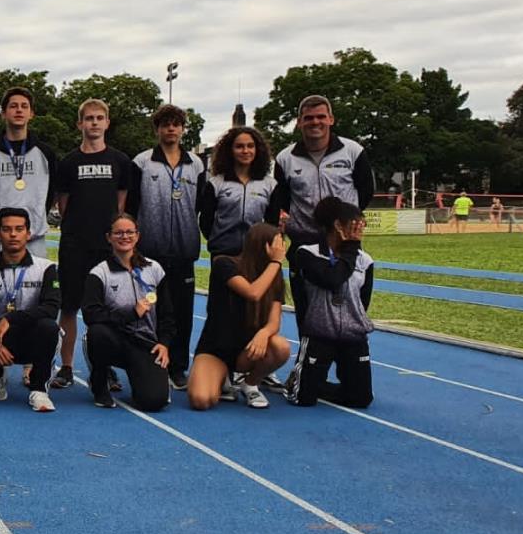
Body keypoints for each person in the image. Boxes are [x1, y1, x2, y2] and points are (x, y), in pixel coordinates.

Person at [267, 94, 373, 327]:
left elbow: (365, 192)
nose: (315, 122)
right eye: (309, 118)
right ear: (299, 122)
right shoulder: (285, 158)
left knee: (348, 303)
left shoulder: (353, 151)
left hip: (344, 242)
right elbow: (282, 201)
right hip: (304, 242)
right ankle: (309, 359)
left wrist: (345, 224)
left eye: (320, 117)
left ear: (331, 119)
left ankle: (348, 356)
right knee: (306, 308)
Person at [52, 99, 132, 390]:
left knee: (106, 310)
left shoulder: (121, 161)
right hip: (75, 244)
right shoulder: (69, 163)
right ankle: (66, 366)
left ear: (107, 123)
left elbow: (121, 204)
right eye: (89, 118)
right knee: (70, 308)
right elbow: (63, 205)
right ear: (80, 124)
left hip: (107, 248)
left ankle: (105, 366)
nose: (94, 123)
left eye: (99, 118)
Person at [128, 104, 204, 390]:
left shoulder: (196, 164)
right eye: (165, 124)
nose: (171, 129)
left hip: (184, 250)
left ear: (183, 128)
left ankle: (178, 366)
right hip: (150, 251)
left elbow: (201, 206)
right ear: (157, 129)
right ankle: (150, 361)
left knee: (183, 312)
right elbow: (133, 205)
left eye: (176, 124)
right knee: (151, 310)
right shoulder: (142, 162)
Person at [0, 208, 61, 412]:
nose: (13, 234)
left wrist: (12, 318)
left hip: (31, 336)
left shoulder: (46, 268)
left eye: (19, 229)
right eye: (7, 229)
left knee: (49, 328)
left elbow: (51, 308)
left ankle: (39, 389)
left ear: (28, 233)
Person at [187, 222, 291, 411]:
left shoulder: (274, 278)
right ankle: (223, 375)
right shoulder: (224, 264)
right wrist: (276, 263)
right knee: (201, 400)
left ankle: (250, 383)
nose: (281, 251)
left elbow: (274, 321)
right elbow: (253, 293)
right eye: (277, 246)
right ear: (263, 245)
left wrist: (264, 333)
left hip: (247, 352)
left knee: (281, 346)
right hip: (216, 349)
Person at [286, 197, 374, 408]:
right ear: (337, 226)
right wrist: (350, 249)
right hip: (319, 335)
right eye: (356, 224)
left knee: (361, 399)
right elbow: (331, 278)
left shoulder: (365, 260)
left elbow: (363, 300)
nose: (360, 230)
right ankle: (300, 383)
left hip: (353, 336)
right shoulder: (307, 253)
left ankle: (322, 388)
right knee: (303, 399)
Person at [80, 213, 172, 411]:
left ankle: (142, 375)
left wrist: (164, 343)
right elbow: (90, 314)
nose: (124, 237)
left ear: (137, 236)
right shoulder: (100, 273)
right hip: (115, 339)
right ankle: (99, 382)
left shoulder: (154, 269)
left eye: (129, 232)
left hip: (146, 343)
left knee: (154, 401)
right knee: (97, 333)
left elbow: (167, 314)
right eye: (118, 233)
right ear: (109, 237)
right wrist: (131, 313)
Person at [0, 87, 59, 260]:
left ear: (31, 113)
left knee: (37, 287)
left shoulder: (45, 153)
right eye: (13, 106)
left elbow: (51, 191)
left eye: (24, 106)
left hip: (34, 238)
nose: (19, 110)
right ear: (3, 114)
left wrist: (36, 215)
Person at [197, 126, 277, 258]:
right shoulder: (216, 183)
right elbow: (206, 221)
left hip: (256, 254)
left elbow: (272, 223)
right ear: (230, 150)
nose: (245, 151)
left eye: (250, 146)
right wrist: (220, 242)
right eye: (239, 146)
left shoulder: (269, 184)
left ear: (257, 150)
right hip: (223, 254)